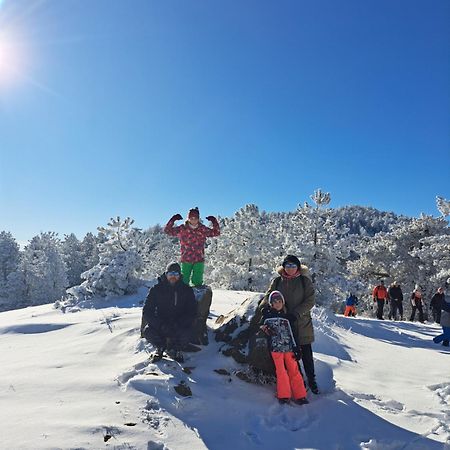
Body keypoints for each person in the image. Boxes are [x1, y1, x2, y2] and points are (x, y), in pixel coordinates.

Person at [261, 255, 319, 394]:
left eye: (293, 266)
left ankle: (312, 380)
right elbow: (268, 296)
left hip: (301, 323)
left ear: (298, 267)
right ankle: (300, 383)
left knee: (306, 354)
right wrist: (264, 307)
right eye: (288, 266)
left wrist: (296, 313)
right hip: (282, 325)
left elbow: (310, 301)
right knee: (291, 355)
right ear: (283, 267)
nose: (290, 269)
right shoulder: (277, 281)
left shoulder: (304, 281)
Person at [141, 262, 197, 363]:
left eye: (176, 274)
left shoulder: (186, 290)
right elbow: (147, 311)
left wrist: (180, 323)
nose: (173, 277)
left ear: (180, 276)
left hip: (179, 324)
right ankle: (160, 347)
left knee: (189, 331)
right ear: (166, 274)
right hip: (162, 323)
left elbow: (192, 311)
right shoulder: (156, 289)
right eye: (170, 274)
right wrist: (160, 324)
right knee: (148, 331)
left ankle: (176, 349)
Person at [260, 291, 308, 405]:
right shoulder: (267, 316)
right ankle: (284, 395)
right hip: (276, 349)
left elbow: (294, 334)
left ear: (283, 302)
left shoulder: (287, 317)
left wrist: (297, 348)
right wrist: (265, 326)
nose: (277, 304)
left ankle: (300, 396)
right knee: (281, 371)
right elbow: (261, 326)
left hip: (289, 348)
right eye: (275, 302)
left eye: (279, 301)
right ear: (271, 303)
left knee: (294, 371)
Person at [164, 207, 220, 287]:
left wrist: (214, 221)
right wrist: (173, 219)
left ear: (198, 218)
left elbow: (216, 232)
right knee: (183, 281)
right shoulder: (182, 229)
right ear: (188, 218)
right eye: (191, 218)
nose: (193, 220)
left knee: (197, 282)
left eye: (195, 218)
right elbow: (167, 230)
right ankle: (182, 296)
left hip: (199, 259)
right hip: (186, 259)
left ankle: (197, 297)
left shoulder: (202, 229)